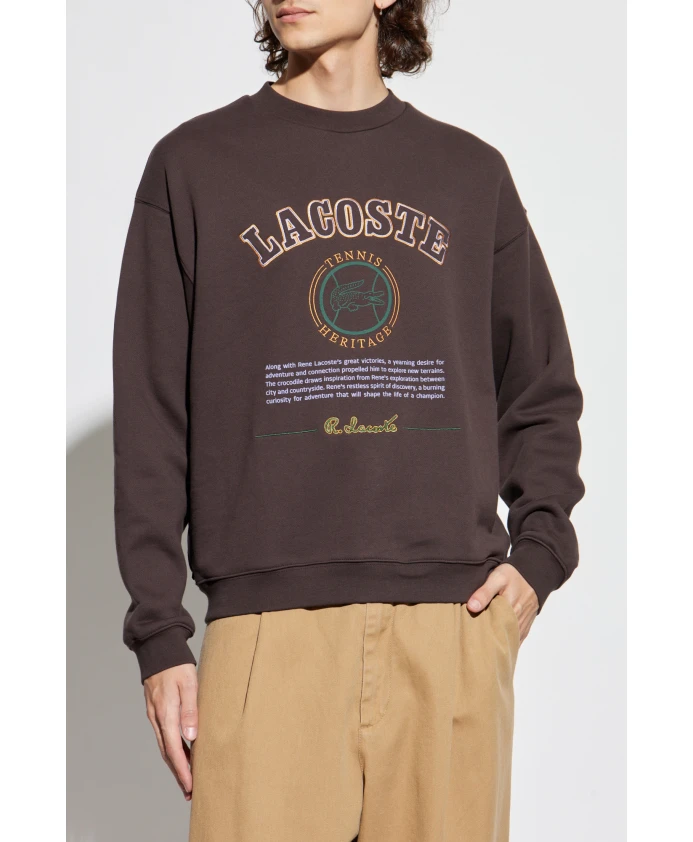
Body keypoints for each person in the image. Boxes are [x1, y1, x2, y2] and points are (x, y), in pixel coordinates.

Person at [112, 1, 584, 839]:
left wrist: (540, 553)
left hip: (450, 626)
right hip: (266, 631)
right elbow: (152, 416)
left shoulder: (467, 174)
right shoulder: (194, 166)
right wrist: (159, 634)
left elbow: (539, 386)